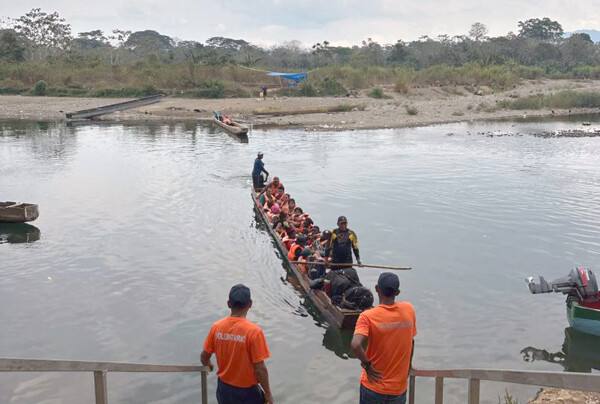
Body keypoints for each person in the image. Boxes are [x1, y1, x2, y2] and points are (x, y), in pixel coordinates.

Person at [201, 284, 274, 404]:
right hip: (247, 394)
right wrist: (268, 393)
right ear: (250, 304)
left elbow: (204, 356)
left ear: (229, 304)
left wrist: (208, 364)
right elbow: (260, 369)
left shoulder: (217, 327)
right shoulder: (254, 332)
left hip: (224, 390)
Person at [350, 273, 416, 404]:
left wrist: (367, 365)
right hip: (398, 389)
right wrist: (409, 365)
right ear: (397, 292)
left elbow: (356, 345)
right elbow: (411, 342)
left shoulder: (367, 316)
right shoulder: (409, 309)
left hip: (373, 386)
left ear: (376, 288)